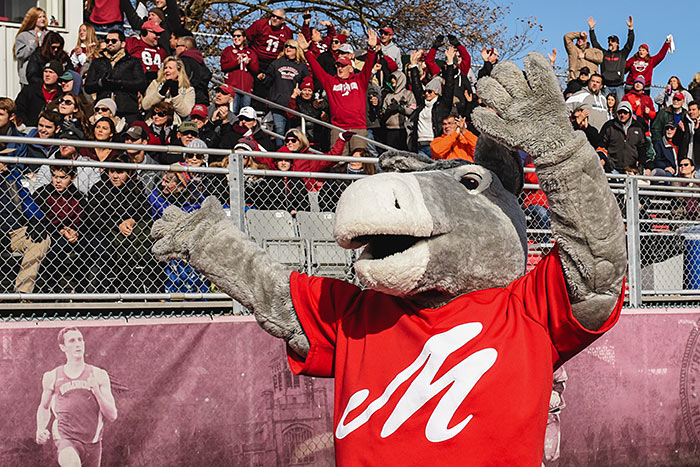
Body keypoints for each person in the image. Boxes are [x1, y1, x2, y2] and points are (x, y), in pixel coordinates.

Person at [35, 327, 117, 467]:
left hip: (93, 442)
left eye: (80, 340)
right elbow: (44, 407)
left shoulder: (99, 374)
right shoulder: (52, 376)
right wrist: (40, 429)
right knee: (72, 464)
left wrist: (96, 391)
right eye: (72, 341)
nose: (78, 344)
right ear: (63, 347)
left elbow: (112, 415)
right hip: (66, 438)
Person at [298, 30, 378, 156]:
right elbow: (317, 70)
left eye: (343, 66)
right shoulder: (331, 82)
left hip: (358, 127)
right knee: (338, 161)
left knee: (359, 160)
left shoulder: (360, 80)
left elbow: (368, 66)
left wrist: (372, 50)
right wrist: (307, 52)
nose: (340, 68)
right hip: (337, 128)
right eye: (338, 66)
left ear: (350, 68)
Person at [85, 152, 154, 293]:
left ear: (128, 172)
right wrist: (117, 225)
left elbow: (146, 211)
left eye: (120, 172)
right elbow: (94, 219)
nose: (115, 176)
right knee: (106, 249)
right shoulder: (99, 189)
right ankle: (103, 292)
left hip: (130, 232)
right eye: (112, 171)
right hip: (103, 232)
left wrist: (132, 220)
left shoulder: (136, 188)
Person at [84, 28, 147, 125]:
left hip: (126, 110)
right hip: (103, 110)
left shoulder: (133, 61)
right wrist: (101, 83)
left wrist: (120, 83)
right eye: (107, 40)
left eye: (113, 41)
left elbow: (141, 83)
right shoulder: (98, 62)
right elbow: (88, 86)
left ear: (123, 44)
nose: (110, 43)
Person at [258, 39, 310, 146]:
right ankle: (281, 154)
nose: (288, 48)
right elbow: (269, 80)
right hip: (278, 103)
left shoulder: (301, 66)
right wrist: (263, 78)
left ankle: (292, 156)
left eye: (291, 47)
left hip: (294, 105)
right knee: (279, 131)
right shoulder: (276, 63)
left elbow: (307, 82)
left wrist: (301, 90)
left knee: (293, 133)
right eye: (286, 46)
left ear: (296, 49)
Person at [407, 49, 457, 155]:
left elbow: (449, 85)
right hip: (420, 145)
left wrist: (450, 63)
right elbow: (416, 86)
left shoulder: (442, 104)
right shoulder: (423, 103)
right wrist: (413, 65)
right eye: (426, 91)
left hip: (435, 144)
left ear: (437, 92)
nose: (427, 94)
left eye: (430, 91)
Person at [245, 9, 293, 99]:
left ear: (283, 21)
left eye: (278, 18)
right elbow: (246, 38)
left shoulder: (287, 32)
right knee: (250, 84)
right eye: (273, 15)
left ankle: (262, 108)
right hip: (256, 59)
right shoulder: (260, 24)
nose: (274, 18)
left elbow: (288, 48)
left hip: (272, 62)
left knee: (267, 86)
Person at [587, 15, 634, 102]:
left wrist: (631, 29)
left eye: (612, 41)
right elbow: (595, 44)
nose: (610, 43)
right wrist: (591, 29)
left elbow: (629, 44)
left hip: (619, 86)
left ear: (617, 43)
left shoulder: (622, 54)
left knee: (620, 108)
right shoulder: (604, 54)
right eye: (609, 41)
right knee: (604, 107)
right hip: (606, 86)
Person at [317, 147, 376, 212]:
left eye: (357, 159)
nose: (353, 161)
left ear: (365, 163)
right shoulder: (337, 173)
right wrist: (328, 212)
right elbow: (324, 195)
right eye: (352, 158)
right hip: (338, 212)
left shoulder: (370, 178)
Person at [600, 101, 651, 173]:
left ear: (630, 113)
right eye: (620, 112)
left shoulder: (638, 127)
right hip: (613, 168)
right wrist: (604, 160)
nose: (622, 115)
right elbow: (601, 144)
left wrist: (641, 164)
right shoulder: (609, 126)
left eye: (625, 112)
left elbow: (642, 147)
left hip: (631, 169)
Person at [142, 56, 195, 121]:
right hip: (152, 123)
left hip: (174, 125)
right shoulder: (155, 84)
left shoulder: (188, 89)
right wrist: (161, 93)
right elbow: (145, 105)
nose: (166, 71)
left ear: (179, 71)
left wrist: (175, 96)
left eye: (170, 68)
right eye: (165, 68)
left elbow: (185, 112)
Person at [220, 28, 259, 114]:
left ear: (244, 37)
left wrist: (249, 63)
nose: (236, 38)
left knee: (245, 113)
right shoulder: (228, 50)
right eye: (234, 36)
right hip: (233, 88)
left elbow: (256, 70)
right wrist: (236, 63)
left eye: (238, 36)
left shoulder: (251, 52)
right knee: (232, 112)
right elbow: (224, 66)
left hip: (246, 89)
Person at [15, 61, 62, 128]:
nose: (47, 75)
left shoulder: (62, 94)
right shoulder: (29, 90)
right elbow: (19, 109)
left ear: (58, 75)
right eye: (45, 71)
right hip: (29, 130)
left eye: (51, 72)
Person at [380, 70, 416, 150]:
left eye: (395, 78)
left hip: (403, 129)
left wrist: (400, 108)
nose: (392, 80)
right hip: (390, 129)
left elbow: (412, 110)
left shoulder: (408, 94)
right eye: (391, 79)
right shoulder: (388, 96)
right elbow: (383, 111)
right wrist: (388, 110)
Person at [13, 7, 48, 87]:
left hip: (45, 76)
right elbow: (20, 55)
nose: (43, 19)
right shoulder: (23, 36)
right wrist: (33, 45)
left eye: (44, 17)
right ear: (33, 19)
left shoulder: (49, 34)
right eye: (39, 17)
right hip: (28, 78)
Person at [174, 36, 211, 106]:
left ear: (185, 48)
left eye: (177, 46)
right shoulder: (201, 63)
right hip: (203, 99)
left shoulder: (182, 62)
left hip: (187, 100)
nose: (175, 48)